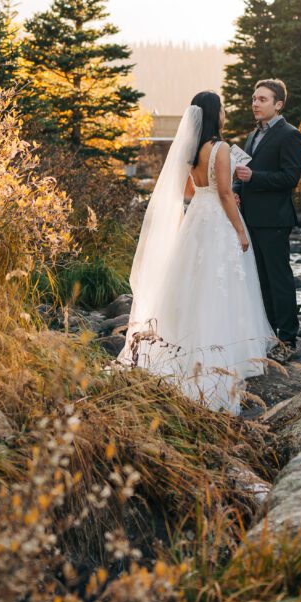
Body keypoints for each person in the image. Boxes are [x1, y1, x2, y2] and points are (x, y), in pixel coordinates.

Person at [116, 91, 276, 414]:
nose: (225, 114)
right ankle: (219, 361)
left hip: (197, 219)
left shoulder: (191, 152)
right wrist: (241, 230)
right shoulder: (219, 149)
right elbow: (227, 195)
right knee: (222, 287)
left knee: (193, 285)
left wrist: (209, 190)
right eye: (223, 110)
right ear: (215, 114)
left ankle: (180, 351)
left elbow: (189, 190)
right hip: (217, 220)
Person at [232, 78, 301, 355]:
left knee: (279, 279)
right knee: (260, 279)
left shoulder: (290, 135)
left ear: (278, 104)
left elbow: (290, 178)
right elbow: (243, 170)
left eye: (262, 99)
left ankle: (288, 338)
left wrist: (254, 177)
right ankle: (268, 331)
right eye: (253, 99)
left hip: (274, 220)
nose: (255, 104)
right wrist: (238, 189)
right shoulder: (253, 135)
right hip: (250, 218)